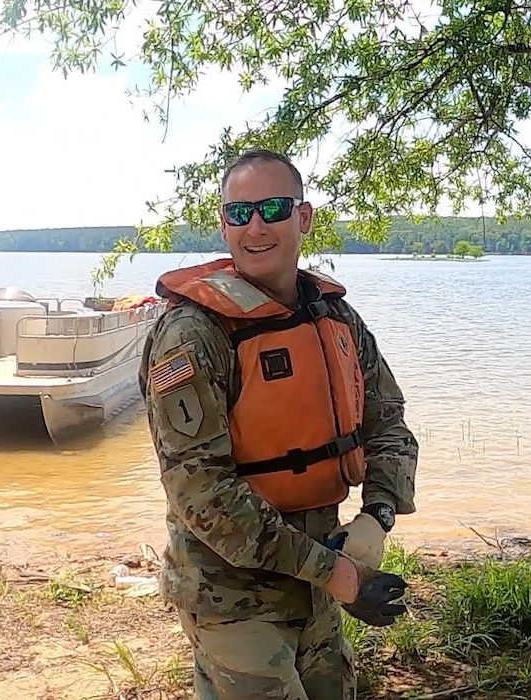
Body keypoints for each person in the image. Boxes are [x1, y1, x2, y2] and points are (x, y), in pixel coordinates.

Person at [139, 147, 420, 700]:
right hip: (232, 596)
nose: (256, 226)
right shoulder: (193, 334)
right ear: (223, 224)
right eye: (239, 213)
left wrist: (377, 516)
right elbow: (203, 494)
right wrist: (337, 575)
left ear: (304, 217)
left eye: (272, 208)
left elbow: (388, 422)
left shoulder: (334, 317)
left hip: (319, 582)